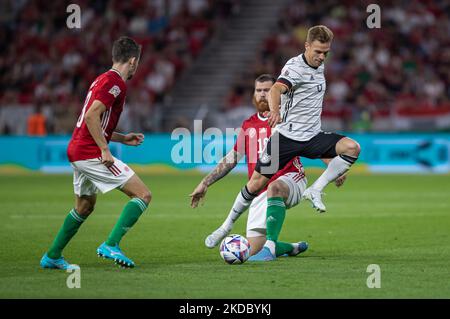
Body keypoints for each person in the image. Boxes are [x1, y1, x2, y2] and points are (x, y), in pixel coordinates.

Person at [216, 25, 360, 261]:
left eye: (326, 52)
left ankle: (316, 190)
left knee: (352, 148)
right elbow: (276, 89)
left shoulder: (319, 64)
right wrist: (275, 111)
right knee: (255, 184)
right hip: (287, 138)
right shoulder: (295, 67)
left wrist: (328, 162)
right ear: (306, 47)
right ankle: (226, 225)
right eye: (317, 51)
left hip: (313, 136)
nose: (322, 57)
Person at [190, 74, 346, 258]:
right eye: (259, 90)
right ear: (254, 95)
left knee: (275, 187)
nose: (263, 94)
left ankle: (270, 246)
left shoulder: (289, 119)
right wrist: (205, 182)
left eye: (267, 90)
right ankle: (290, 248)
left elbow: (313, 142)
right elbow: (231, 158)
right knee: (250, 252)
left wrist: (333, 166)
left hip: (291, 179)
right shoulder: (248, 125)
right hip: (258, 190)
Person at [40, 36, 151, 270]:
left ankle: (52, 256)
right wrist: (104, 149)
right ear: (132, 61)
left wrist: (121, 137)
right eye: (137, 63)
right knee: (142, 195)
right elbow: (91, 116)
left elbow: (94, 119)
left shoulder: (102, 78)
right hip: (90, 152)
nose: (136, 67)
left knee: (84, 207)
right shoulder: (117, 83)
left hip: (77, 149)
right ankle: (111, 244)